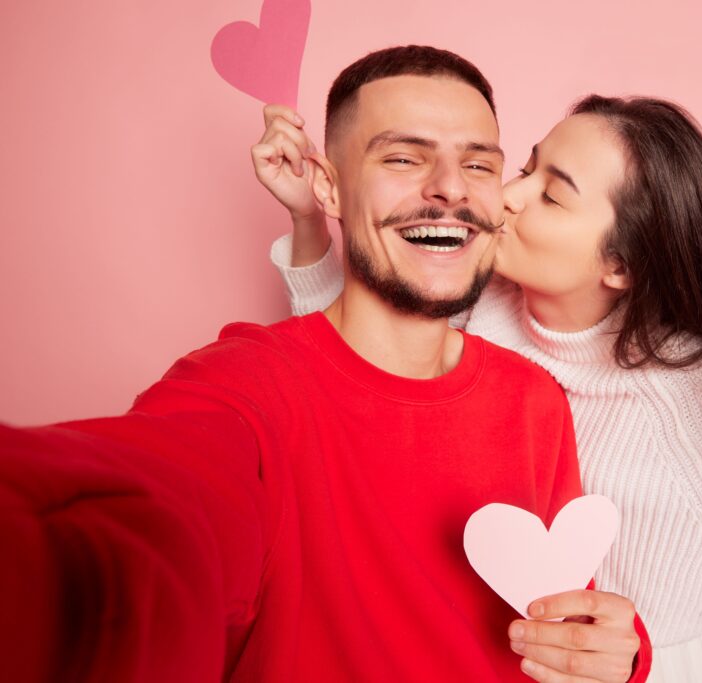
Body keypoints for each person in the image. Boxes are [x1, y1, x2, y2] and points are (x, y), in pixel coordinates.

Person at [260, 84, 702, 680]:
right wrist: (308, 221)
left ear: (622, 265)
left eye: (551, 194)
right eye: (528, 169)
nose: (508, 197)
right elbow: (355, 368)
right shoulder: (478, 309)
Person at [0, 47, 654, 682]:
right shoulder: (247, 384)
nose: (452, 188)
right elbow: (153, 512)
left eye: (480, 166)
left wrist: (619, 656)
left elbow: (560, 613)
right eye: (403, 157)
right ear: (327, 186)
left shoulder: (534, 398)